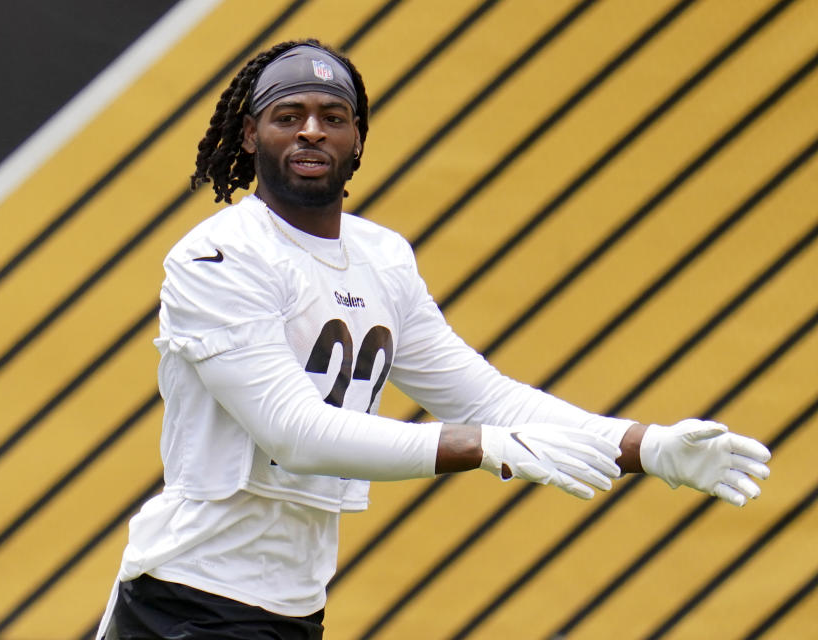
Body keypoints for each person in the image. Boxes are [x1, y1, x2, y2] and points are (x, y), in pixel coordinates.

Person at [97, 39, 771, 639]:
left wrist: (645, 446)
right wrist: (481, 450)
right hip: (188, 599)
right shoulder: (219, 255)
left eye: (333, 118)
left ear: (358, 140)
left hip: (291, 607)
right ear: (249, 136)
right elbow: (293, 433)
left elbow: (486, 400)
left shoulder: (381, 258)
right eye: (288, 116)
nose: (311, 133)